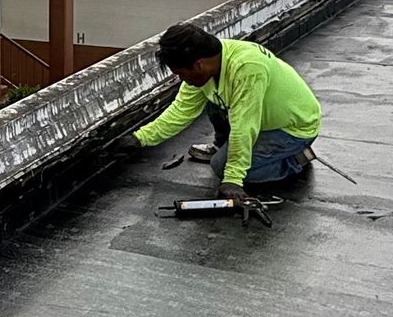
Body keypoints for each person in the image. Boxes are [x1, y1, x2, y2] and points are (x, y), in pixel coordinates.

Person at [129, 21, 322, 196]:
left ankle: (294, 160)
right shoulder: (209, 63)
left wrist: (233, 179)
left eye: (181, 73)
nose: (181, 79)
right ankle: (222, 147)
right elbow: (181, 111)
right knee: (213, 100)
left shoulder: (246, 67)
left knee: (221, 167)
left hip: (293, 128)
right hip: (261, 119)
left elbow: (244, 126)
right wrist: (140, 138)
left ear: (198, 64)